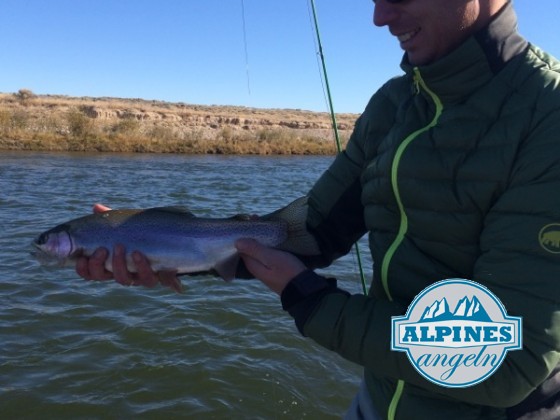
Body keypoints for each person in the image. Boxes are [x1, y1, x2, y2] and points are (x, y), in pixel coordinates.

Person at [77, 0, 560, 418]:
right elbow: (310, 233)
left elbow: (504, 359)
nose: (379, 16)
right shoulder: (393, 105)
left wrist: (307, 296)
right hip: (380, 401)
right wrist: (165, 246)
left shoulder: (548, 116)